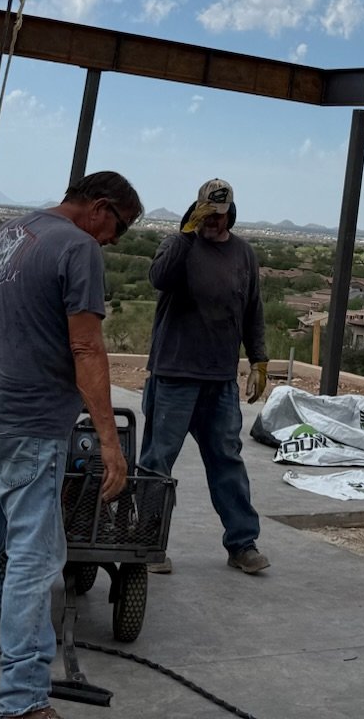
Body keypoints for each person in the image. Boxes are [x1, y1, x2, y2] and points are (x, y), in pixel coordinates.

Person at [0, 170, 144, 719]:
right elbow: (88, 348)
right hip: (30, 431)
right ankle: (23, 702)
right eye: (115, 229)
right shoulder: (77, 249)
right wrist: (109, 442)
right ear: (100, 208)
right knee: (32, 565)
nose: (110, 241)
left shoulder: (9, 232)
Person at [140, 177, 270, 576]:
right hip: (175, 374)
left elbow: (252, 310)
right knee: (158, 461)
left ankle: (242, 544)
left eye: (220, 214)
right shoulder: (178, 246)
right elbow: (159, 278)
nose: (214, 222)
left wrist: (259, 359)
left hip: (219, 380)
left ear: (231, 212)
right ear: (195, 212)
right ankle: (145, 543)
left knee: (227, 459)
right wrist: (184, 235)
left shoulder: (243, 255)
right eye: (206, 214)